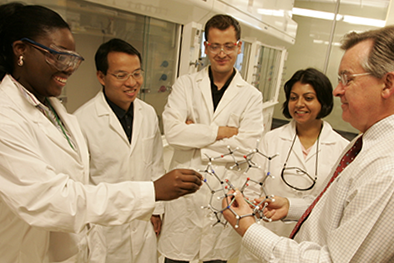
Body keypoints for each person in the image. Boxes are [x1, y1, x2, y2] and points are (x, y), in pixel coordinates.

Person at [0, 3, 202, 263]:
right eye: (59, 56)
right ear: (21, 50)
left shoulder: (55, 110)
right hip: (27, 249)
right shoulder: (7, 116)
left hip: (86, 236)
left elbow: (149, 163)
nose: (69, 69)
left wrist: (153, 203)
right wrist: (150, 192)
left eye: (73, 59)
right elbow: (52, 199)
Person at [222, 25, 394, 262]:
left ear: (387, 84)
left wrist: (248, 229)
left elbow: (333, 260)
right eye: (294, 98)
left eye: (347, 79)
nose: (338, 90)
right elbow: (338, 210)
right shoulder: (363, 144)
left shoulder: (386, 167)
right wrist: (290, 207)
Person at [158, 14, 264, 263]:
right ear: (206, 46)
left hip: (222, 195)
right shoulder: (185, 85)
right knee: (176, 256)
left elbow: (247, 147)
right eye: (215, 45)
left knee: (215, 257)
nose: (221, 53)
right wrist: (221, 132)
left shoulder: (251, 96)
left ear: (239, 47)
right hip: (185, 194)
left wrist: (196, 138)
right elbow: (173, 133)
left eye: (228, 46)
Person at [74, 38, 164, 263]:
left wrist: (157, 208)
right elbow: (79, 184)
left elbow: (155, 163)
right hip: (105, 230)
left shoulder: (148, 113)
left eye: (137, 73)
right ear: (101, 77)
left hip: (142, 222)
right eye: (121, 75)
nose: (132, 82)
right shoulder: (81, 121)